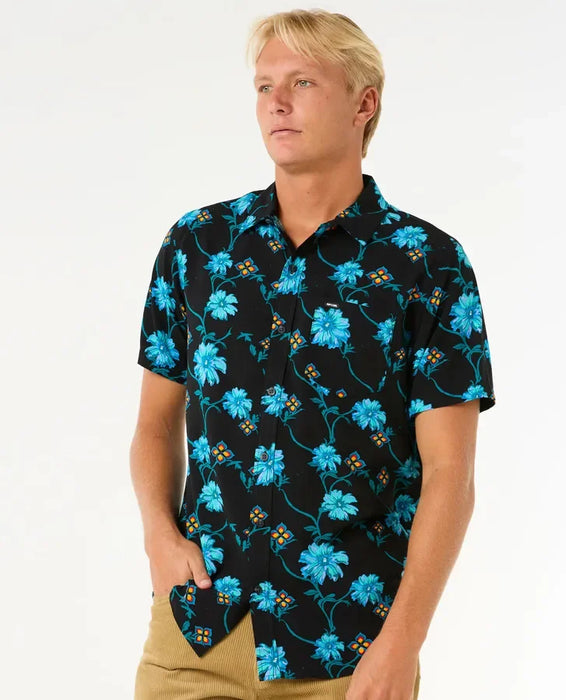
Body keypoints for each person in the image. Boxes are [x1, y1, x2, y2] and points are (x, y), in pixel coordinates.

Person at [131, 8, 496, 700]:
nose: (277, 102)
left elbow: (452, 475)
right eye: (264, 85)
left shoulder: (429, 265)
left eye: (302, 82)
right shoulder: (197, 245)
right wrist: (158, 534)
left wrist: (403, 645)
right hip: (195, 632)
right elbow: (154, 423)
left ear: (364, 104)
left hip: (348, 651)